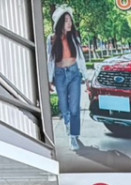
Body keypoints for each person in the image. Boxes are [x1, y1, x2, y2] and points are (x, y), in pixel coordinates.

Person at [47, 6, 87, 151]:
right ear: (59, 23)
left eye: (70, 20)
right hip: (60, 75)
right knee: (64, 107)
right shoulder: (52, 39)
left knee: (74, 108)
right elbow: (50, 60)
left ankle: (73, 136)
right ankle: (68, 126)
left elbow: (80, 58)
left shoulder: (74, 37)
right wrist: (49, 80)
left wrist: (87, 78)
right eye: (66, 21)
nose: (69, 23)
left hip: (74, 73)